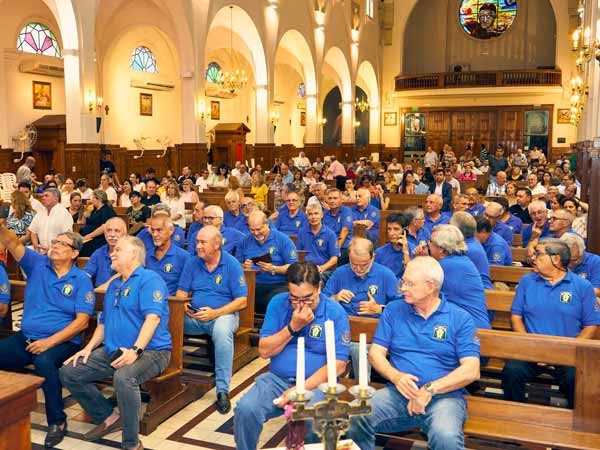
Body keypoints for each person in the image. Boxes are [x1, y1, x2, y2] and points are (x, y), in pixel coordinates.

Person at [347, 256, 481, 450]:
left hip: (444, 396)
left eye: (409, 284)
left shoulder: (460, 318)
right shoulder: (393, 310)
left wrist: (429, 389)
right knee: (356, 414)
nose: (402, 288)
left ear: (430, 286)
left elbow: (471, 370)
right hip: (398, 393)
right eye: (403, 282)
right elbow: (375, 353)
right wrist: (396, 376)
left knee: (446, 437)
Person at [60, 236, 171, 450]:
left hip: (152, 351)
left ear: (133, 254)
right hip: (114, 350)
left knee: (124, 377)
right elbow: (103, 323)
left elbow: (153, 318)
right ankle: (109, 416)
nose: (112, 252)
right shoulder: (114, 285)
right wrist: (87, 348)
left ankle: (132, 443)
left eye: (118, 249)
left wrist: (136, 350)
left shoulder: (149, 279)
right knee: (69, 372)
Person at [234, 262, 350, 450]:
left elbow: (338, 365)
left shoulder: (334, 312)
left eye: (307, 298)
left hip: (316, 384)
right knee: (246, 409)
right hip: (277, 379)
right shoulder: (278, 303)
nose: (301, 304)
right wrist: (292, 328)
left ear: (319, 287)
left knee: (314, 416)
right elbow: (264, 351)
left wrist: (299, 389)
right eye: (294, 298)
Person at [0, 225, 94, 448]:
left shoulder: (80, 279)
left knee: (44, 361)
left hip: (62, 342)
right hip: (28, 338)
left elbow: (82, 322)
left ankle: (57, 421)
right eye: (54, 242)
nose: (55, 246)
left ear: (74, 253)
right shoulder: (38, 264)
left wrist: (49, 343)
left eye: (62, 244)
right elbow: (12, 242)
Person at [502, 239, 599, 408]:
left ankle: (575, 423)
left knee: (576, 378)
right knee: (512, 371)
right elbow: (516, 317)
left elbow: (591, 325)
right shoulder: (527, 281)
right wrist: (529, 346)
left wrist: (569, 350)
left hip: (568, 352)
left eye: (538, 254)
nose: (533, 258)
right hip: (531, 349)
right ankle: (516, 414)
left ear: (556, 259)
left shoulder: (583, 287)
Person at [178, 225, 248, 413]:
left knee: (222, 331)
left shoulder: (231, 264)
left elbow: (242, 301)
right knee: (169, 321)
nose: (198, 245)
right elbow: (181, 293)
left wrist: (215, 313)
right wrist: (185, 307)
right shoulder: (192, 263)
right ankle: (169, 378)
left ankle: (222, 390)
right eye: (197, 241)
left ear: (217, 245)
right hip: (195, 317)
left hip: (222, 316)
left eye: (203, 242)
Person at [323, 237, 399, 378]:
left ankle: (362, 388)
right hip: (343, 329)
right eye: (354, 264)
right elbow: (321, 301)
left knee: (358, 349)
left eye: (363, 265)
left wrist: (379, 309)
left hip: (374, 334)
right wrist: (335, 298)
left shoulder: (386, 275)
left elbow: (401, 308)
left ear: (373, 257)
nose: (358, 269)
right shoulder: (340, 273)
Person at [424, 225, 491, 330]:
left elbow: (421, 292)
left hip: (470, 330)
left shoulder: (445, 266)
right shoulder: (461, 260)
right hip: (467, 324)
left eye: (430, 242)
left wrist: (420, 259)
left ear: (441, 249)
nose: (427, 244)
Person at [238, 211, 298, 314]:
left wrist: (274, 269)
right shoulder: (244, 241)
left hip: (277, 284)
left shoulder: (283, 240)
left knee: (275, 300)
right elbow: (236, 265)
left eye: (259, 229)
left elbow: (294, 267)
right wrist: (244, 266)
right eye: (252, 230)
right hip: (251, 284)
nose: (256, 233)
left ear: (267, 224)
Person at [145, 215, 191, 296]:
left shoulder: (184, 257)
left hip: (170, 304)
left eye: (159, 230)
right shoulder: (146, 255)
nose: (155, 234)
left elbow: (184, 292)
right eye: (152, 230)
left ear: (171, 230)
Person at [450, 212, 493, 290]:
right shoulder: (471, 243)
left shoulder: (468, 249)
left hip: (479, 291)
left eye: (451, 227)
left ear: (458, 231)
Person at [296, 203, 339, 280]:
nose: (313, 217)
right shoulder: (301, 232)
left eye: (316, 214)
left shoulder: (330, 234)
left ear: (321, 215)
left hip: (324, 270)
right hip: (306, 268)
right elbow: (299, 254)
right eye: (310, 214)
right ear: (307, 217)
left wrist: (322, 268)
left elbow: (334, 258)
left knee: (316, 278)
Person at [84, 217, 128, 287]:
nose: (112, 235)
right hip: (100, 295)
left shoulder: (130, 254)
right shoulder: (98, 253)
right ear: (104, 234)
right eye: (109, 230)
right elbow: (86, 274)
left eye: (117, 231)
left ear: (125, 234)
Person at [29, 188, 74, 254]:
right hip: (41, 249)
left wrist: (53, 248)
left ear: (56, 198)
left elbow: (67, 237)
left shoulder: (63, 213)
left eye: (46, 196)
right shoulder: (40, 212)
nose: (43, 198)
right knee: (22, 251)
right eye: (43, 196)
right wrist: (36, 246)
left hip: (58, 250)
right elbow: (33, 232)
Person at [80, 190, 117, 257]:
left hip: (99, 238)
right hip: (88, 236)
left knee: (84, 247)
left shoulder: (106, 210)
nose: (91, 200)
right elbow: (83, 225)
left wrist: (88, 236)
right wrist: (84, 216)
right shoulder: (94, 209)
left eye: (93, 198)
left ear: (99, 199)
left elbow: (103, 228)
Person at [375, 212, 411, 280]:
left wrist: (405, 252)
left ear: (404, 231)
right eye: (389, 229)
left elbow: (412, 275)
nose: (391, 233)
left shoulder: (414, 250)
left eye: (396, 229)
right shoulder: (379, 253)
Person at [323, 188, 354, 265]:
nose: (332, 201)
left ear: (341, 200)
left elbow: (344, 231)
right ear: (326, 200)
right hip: (327, 246)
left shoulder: (346, 211)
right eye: (330, 198)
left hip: (343, 247)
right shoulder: (324, 214)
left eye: (335, 198)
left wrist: (335, 250)